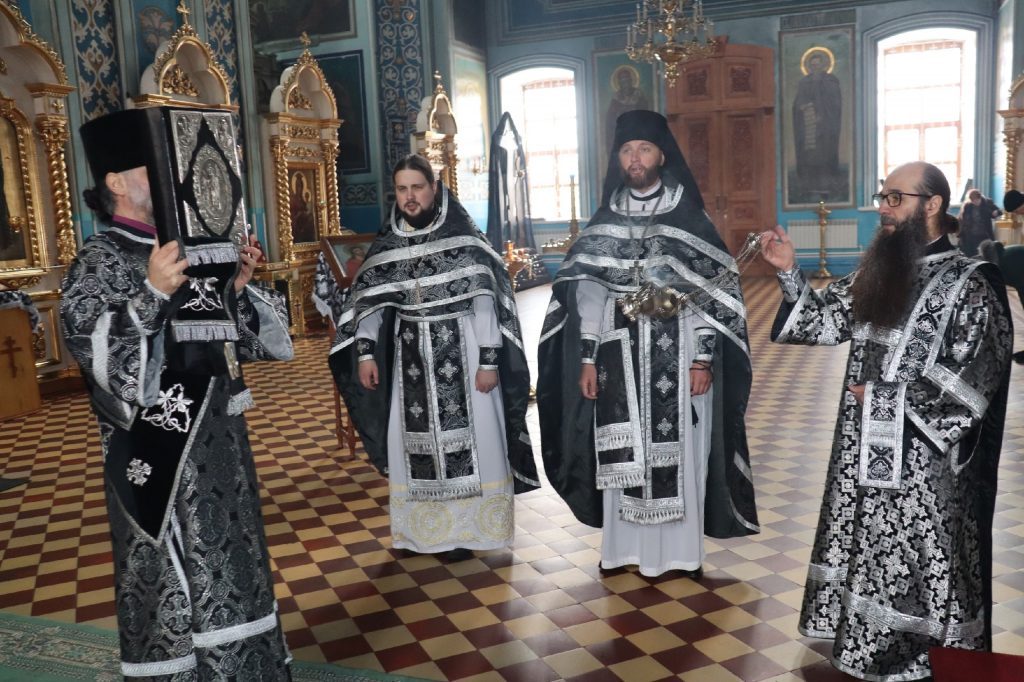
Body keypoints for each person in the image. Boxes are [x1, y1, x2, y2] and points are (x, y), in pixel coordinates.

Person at [62, 110, 294, 680]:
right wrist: (149, 293)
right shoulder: (99, 259)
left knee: (233, 562)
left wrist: (236, 288)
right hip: (159, 455)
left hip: (220, 442)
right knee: (172, 573)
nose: (170, 177)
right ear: (116, 182)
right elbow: (92, 349)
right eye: (152, 167)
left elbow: (245, 345)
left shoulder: (189, 250)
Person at [760, 161, 1012, 681]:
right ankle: (870, 648)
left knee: (920, 557)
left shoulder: (968, 282)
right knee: (871, 547)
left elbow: (975, 375)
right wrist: (788, 270)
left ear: (933, 204)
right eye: (883, 197)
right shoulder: (878, 270)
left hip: (925, 461)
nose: (884, 208)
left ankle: (924, 657)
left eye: (897, 198)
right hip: (865, 446)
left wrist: (885, 398)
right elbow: (823, 322)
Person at [537, 110, 759, 578]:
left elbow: (710, 297)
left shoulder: (689, 218)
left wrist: (702, 360)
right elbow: (590, 296)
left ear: (661, 155)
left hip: (677, 356)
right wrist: (587, 358)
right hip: (616, 357)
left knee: (679, 452)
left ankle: (680, 556)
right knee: (621, 452)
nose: (634, 158)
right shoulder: (604, 221)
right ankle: (622, 551)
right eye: (626, 150)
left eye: (643, 149)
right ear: (617, 158)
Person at [329, 154, 540, 561]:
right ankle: (423, 533)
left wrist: (489, 361)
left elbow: (484, 302)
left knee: (477, 441)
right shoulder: (389, 246)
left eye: (417, 187)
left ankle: (470, 531)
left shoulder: (465, 242)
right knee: (412, 446)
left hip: (465, 353)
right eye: (402, 189)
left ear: (435, 188)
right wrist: (366, 354)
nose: (410, 197)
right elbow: (369, 304)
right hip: (410, 359)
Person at [792, 48, 842, 198]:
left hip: (825, 127)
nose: (815, 67)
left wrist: (822, 112)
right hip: (809, 126)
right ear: (809, 66)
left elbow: (835, 103)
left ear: (824, 65)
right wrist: (804, 107)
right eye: (812, 65)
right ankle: (808, 186)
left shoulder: (831, 81)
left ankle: (826, 186)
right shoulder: (804, 82)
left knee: (825, 154)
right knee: (809, 155)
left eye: (818, 64)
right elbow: (797, 103)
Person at [957, 188, 1000, 256]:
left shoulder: (987, 202)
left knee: (987, 254)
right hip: (971, 235)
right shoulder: (967, 206)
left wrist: (996, 212)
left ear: (980, 198)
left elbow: (999, 211)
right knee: (970, 254)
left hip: (984, 234)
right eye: (973, 201)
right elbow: (962, 220)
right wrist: (960, 233)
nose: (975, 202)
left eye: (976, 200)